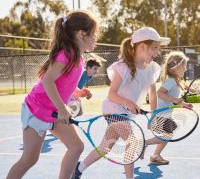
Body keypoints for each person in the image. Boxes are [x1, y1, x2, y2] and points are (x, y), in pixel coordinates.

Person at [6, 10, 99, 179]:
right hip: (36, 111)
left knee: (76, 147)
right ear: (81, 34)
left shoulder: (78, 57)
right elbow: (48, 81)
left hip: (53, 112)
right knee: (29, 159)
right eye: (93, 34)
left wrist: (78, 92)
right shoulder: (67, 55)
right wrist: (62, 108)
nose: (96, 37)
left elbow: (63, 84)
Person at [71, 27, 170, 179]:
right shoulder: (123, 67)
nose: (158, 52)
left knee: (105, 147)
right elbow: (112, 94)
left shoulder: (151, 69)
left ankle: (78, 169)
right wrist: (128, 102)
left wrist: (154, 115)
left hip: (126, 114)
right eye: (155, 48)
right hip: (114, 110)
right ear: (142, 47)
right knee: (134, 143)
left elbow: (152, 93)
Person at [150, 51, 192, 165]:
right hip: (161, 114)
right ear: (175, 67)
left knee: (167, 135)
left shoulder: (175, 81)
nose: (185, 69)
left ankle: (155, 155)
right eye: (184, 66)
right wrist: (175, 100)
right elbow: (160, 93)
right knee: (166, 136)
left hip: (166, 114)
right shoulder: (171, 81)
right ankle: (143, 144)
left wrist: (183, 104)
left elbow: (172, 99)